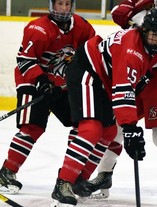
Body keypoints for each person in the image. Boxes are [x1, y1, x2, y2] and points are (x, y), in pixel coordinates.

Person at [76, 0, 157, 207]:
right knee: (118, 123)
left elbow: (145, 27)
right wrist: (130, 7)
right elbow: (122, 15)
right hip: (143, 71)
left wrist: (132, 11)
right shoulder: (156, 3)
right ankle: (104, 175)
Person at [50, 8, 157, 207]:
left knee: (108, 132)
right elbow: (123, 91)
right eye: (153, 34)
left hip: (105, 78)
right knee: (91, 129)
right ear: (143, 31)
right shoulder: (130, 51)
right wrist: (131, 128)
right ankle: (63, 183)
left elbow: (141, 72)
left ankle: (80, 179)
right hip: (87, 70)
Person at [0, 0, 96, 194]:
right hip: (33, 82)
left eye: (67, 4)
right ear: (52, 6)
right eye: (60, 3)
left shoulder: (82, 26)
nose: (64, 8)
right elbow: (24, 60)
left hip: (62, 85)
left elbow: (93, 52)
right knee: (32, 127)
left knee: (82, 124)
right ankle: (7, 172)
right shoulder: (38, 29)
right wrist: (42, 82)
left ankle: (71, 175)